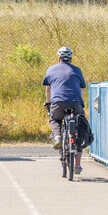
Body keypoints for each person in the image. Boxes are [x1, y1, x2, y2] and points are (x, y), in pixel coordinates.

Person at [42, 46, 87, 174]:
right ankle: (77, 165)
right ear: (71, 59)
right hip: (76, 103)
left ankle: (57, 137)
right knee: (78, 127)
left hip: (58, 102)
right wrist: (81, 105)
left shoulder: (51, 69)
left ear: (59, 58)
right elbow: (81, 88)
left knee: (55, 119)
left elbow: (48, 89)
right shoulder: (77, 70)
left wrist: (48, 103)